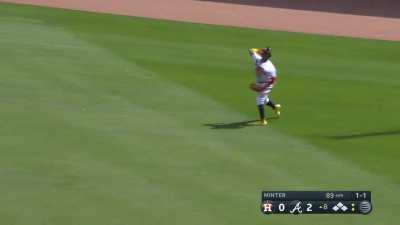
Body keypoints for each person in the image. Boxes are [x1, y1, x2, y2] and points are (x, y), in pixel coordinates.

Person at [248, 47, 281, 126]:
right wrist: (258, 50)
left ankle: (263, 121)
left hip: (267, 84)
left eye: (264, 52)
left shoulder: (270, 67)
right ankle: (275, 107)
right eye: (263, 52)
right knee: (265, 99)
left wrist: (263, 88)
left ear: (268, 55)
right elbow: (250, 50)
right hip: (260, 82)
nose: (262, 53)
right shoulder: (258, 58)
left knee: (260, 100)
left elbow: (273, 79)